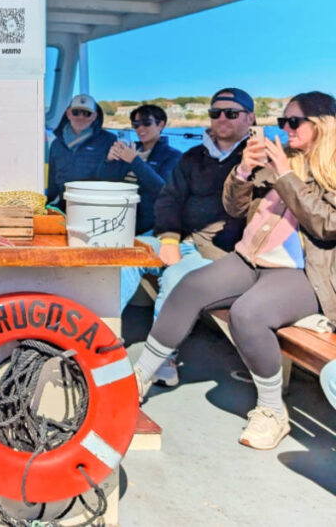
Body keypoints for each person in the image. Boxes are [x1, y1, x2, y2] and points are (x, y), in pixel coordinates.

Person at [132, 91, 336, 450]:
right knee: (190, 286)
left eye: (294, 122)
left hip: (301, 275)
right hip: (250, 259)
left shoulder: (328, 168)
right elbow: (234, 207)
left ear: (322, 125)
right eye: (282, 121)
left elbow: (326, 225)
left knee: (248, 314)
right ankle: (139, 378)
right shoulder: (280, 158)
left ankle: (272, 411)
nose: (285, 129)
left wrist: (286, 176)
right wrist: (242, 171)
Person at [141, 88, 255, 385]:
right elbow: (169, 199)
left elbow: (249, 216)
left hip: (219, 254)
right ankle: (103, 342)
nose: (221, 118)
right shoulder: (194, 156)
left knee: (176, 276)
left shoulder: (258, 160)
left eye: (231, 113)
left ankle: (162, 362)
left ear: (250, 118)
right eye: (215, 112)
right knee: (125, 253)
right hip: (181, 240)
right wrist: (168, 239)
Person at [98, 104, 182, 312]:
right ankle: (94, 309)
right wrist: (109, 161)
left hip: (150, 226)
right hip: (121, 223)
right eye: (136, 124)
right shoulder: (130, 151)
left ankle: (109, 315)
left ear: (161, 124)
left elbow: (162, 190)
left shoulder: (173, 157)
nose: (140, 129)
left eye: (146, 123)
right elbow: (104, 182)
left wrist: (135, 162)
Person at [46, 93, 116, 209]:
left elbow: (114, 176)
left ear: (94, 116)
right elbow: (52, 179)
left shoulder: (109, 140)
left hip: (94, 204)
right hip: (63, 205)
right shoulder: (56, 144)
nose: (81, 117)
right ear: (68, 114)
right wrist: (47, 202)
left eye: (86, 114)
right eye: (76, 112)